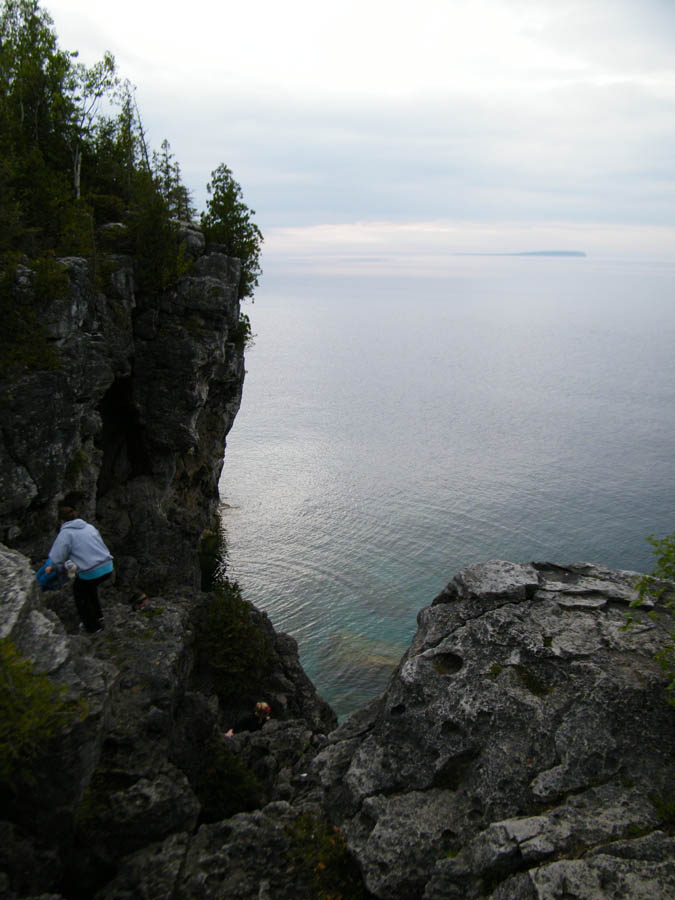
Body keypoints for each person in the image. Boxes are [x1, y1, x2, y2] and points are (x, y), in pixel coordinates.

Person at [46, 502, 114, 633]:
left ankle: (93, 627)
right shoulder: (89, 527)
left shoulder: (66, 533)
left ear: (61, 520)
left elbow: (57, 557)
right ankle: (99, 617)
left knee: (80, 593)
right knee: (90, 588)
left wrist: (52, 567)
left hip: (91, 571)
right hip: (108, 566)